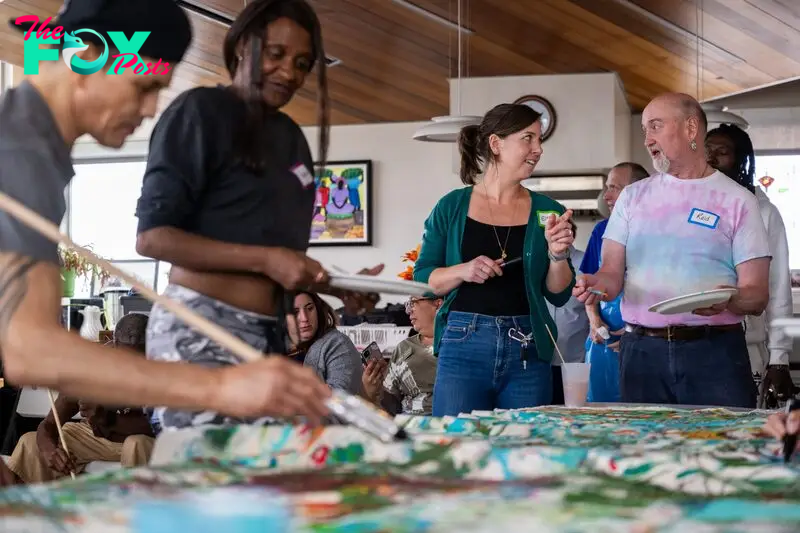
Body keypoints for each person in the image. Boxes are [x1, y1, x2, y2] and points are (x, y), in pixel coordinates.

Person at [0, 1, 329, 447]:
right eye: (144, 86)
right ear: (84, 57)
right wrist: (220, 387)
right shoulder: (20, 154)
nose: (153, 109)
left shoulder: (34, 149)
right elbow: (31, 350)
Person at [135, 0, 345, 430]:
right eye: (276, 54)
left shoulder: (292, 140)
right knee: (208, 483)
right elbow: (153, 238)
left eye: (302, 63)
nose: (290, 72)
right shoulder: (199, 113)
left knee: (262, 484)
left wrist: (338, 286)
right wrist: (267, 260)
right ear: (243, 45)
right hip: (198, 333)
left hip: (268, 338)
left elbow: (282, 257)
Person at [574, 93, 771, 408]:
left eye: (655, 126)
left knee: (723, 449)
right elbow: (610, 275)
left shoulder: (738, 200)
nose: (647, 138)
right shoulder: (632, 197)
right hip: (641, 352)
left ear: (691, 128)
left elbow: (757, 296)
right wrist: (594, 285)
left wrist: (731, 299)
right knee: (645, 451)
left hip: (715, 353)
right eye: (644, 129)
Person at [414, 103, 576, 417]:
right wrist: (463, 270)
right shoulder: (452, 206)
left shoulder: (548, 210)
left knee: (526, 453)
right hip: (463, 345)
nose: (538, 149)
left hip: (529, 348)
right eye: (528, 138)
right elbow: (423, 279)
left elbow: (558, 292)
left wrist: (558, 255)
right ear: (496, 143)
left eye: (539, 140)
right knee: (456, 448)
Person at [6, 314, 156, 484]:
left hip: (141, 441)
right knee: (30, 443)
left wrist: (105, 418)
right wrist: (50, 452)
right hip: (95, 438)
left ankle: (137, 508)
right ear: (114, 343)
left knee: (135, 444)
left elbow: (162, 428)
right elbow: (49, 425)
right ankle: (30, 508)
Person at [706, 124, 794, 404]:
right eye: (708, 150)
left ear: (741, 160)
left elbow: (778, 288)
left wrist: (779, 358)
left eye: (723, 152)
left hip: (745, 346)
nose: (712, 158)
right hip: (690, 343)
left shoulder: (764, 212)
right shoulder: (693, 205)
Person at [363, 294, 441, 416]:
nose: (408, 310)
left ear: (438, 304)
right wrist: (374, 391)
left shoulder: (460, 345)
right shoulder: (403, 348)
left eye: (413, 303)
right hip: (407, 423)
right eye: (407, 304)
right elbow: (391, 406)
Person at [286, 292, 363, 395]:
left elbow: (339, 396)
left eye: (310, 309)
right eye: (295, 312)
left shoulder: (337, 344)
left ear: (318, 310)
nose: (304, 318)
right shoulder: (279, 346)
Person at [580, 162, 649, 276]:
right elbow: (590, 280)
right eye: (607, 187)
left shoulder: (661, 228)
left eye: (614, 188)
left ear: (638, 191)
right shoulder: (602, 230)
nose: (605, 196)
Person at [546, 222, 589, 404]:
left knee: (573, 410)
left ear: (570, 233)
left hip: (574, 358)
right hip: (541, 357)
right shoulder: (539, 262)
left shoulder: (587, 262)